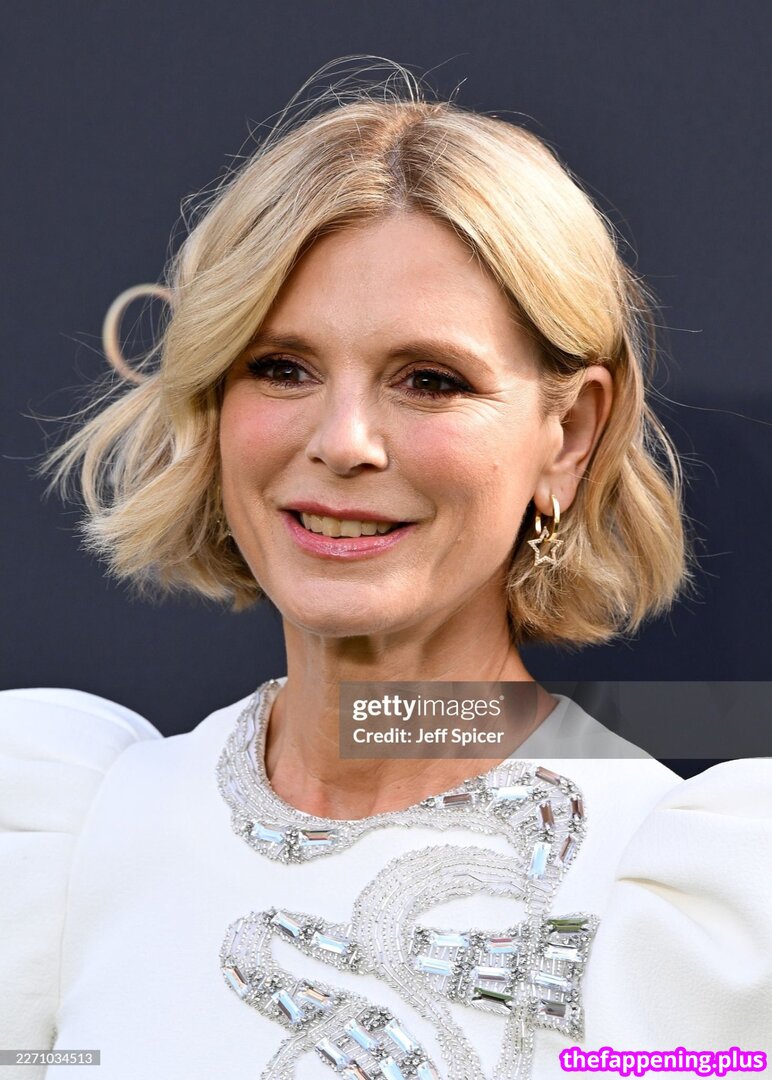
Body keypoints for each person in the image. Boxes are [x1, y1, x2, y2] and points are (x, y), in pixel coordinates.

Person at [1, 62, 770, 1080]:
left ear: (569, 435)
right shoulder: (63, 843)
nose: (344, 441)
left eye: (429, 380)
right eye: (281, 367)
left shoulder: (702, 915)